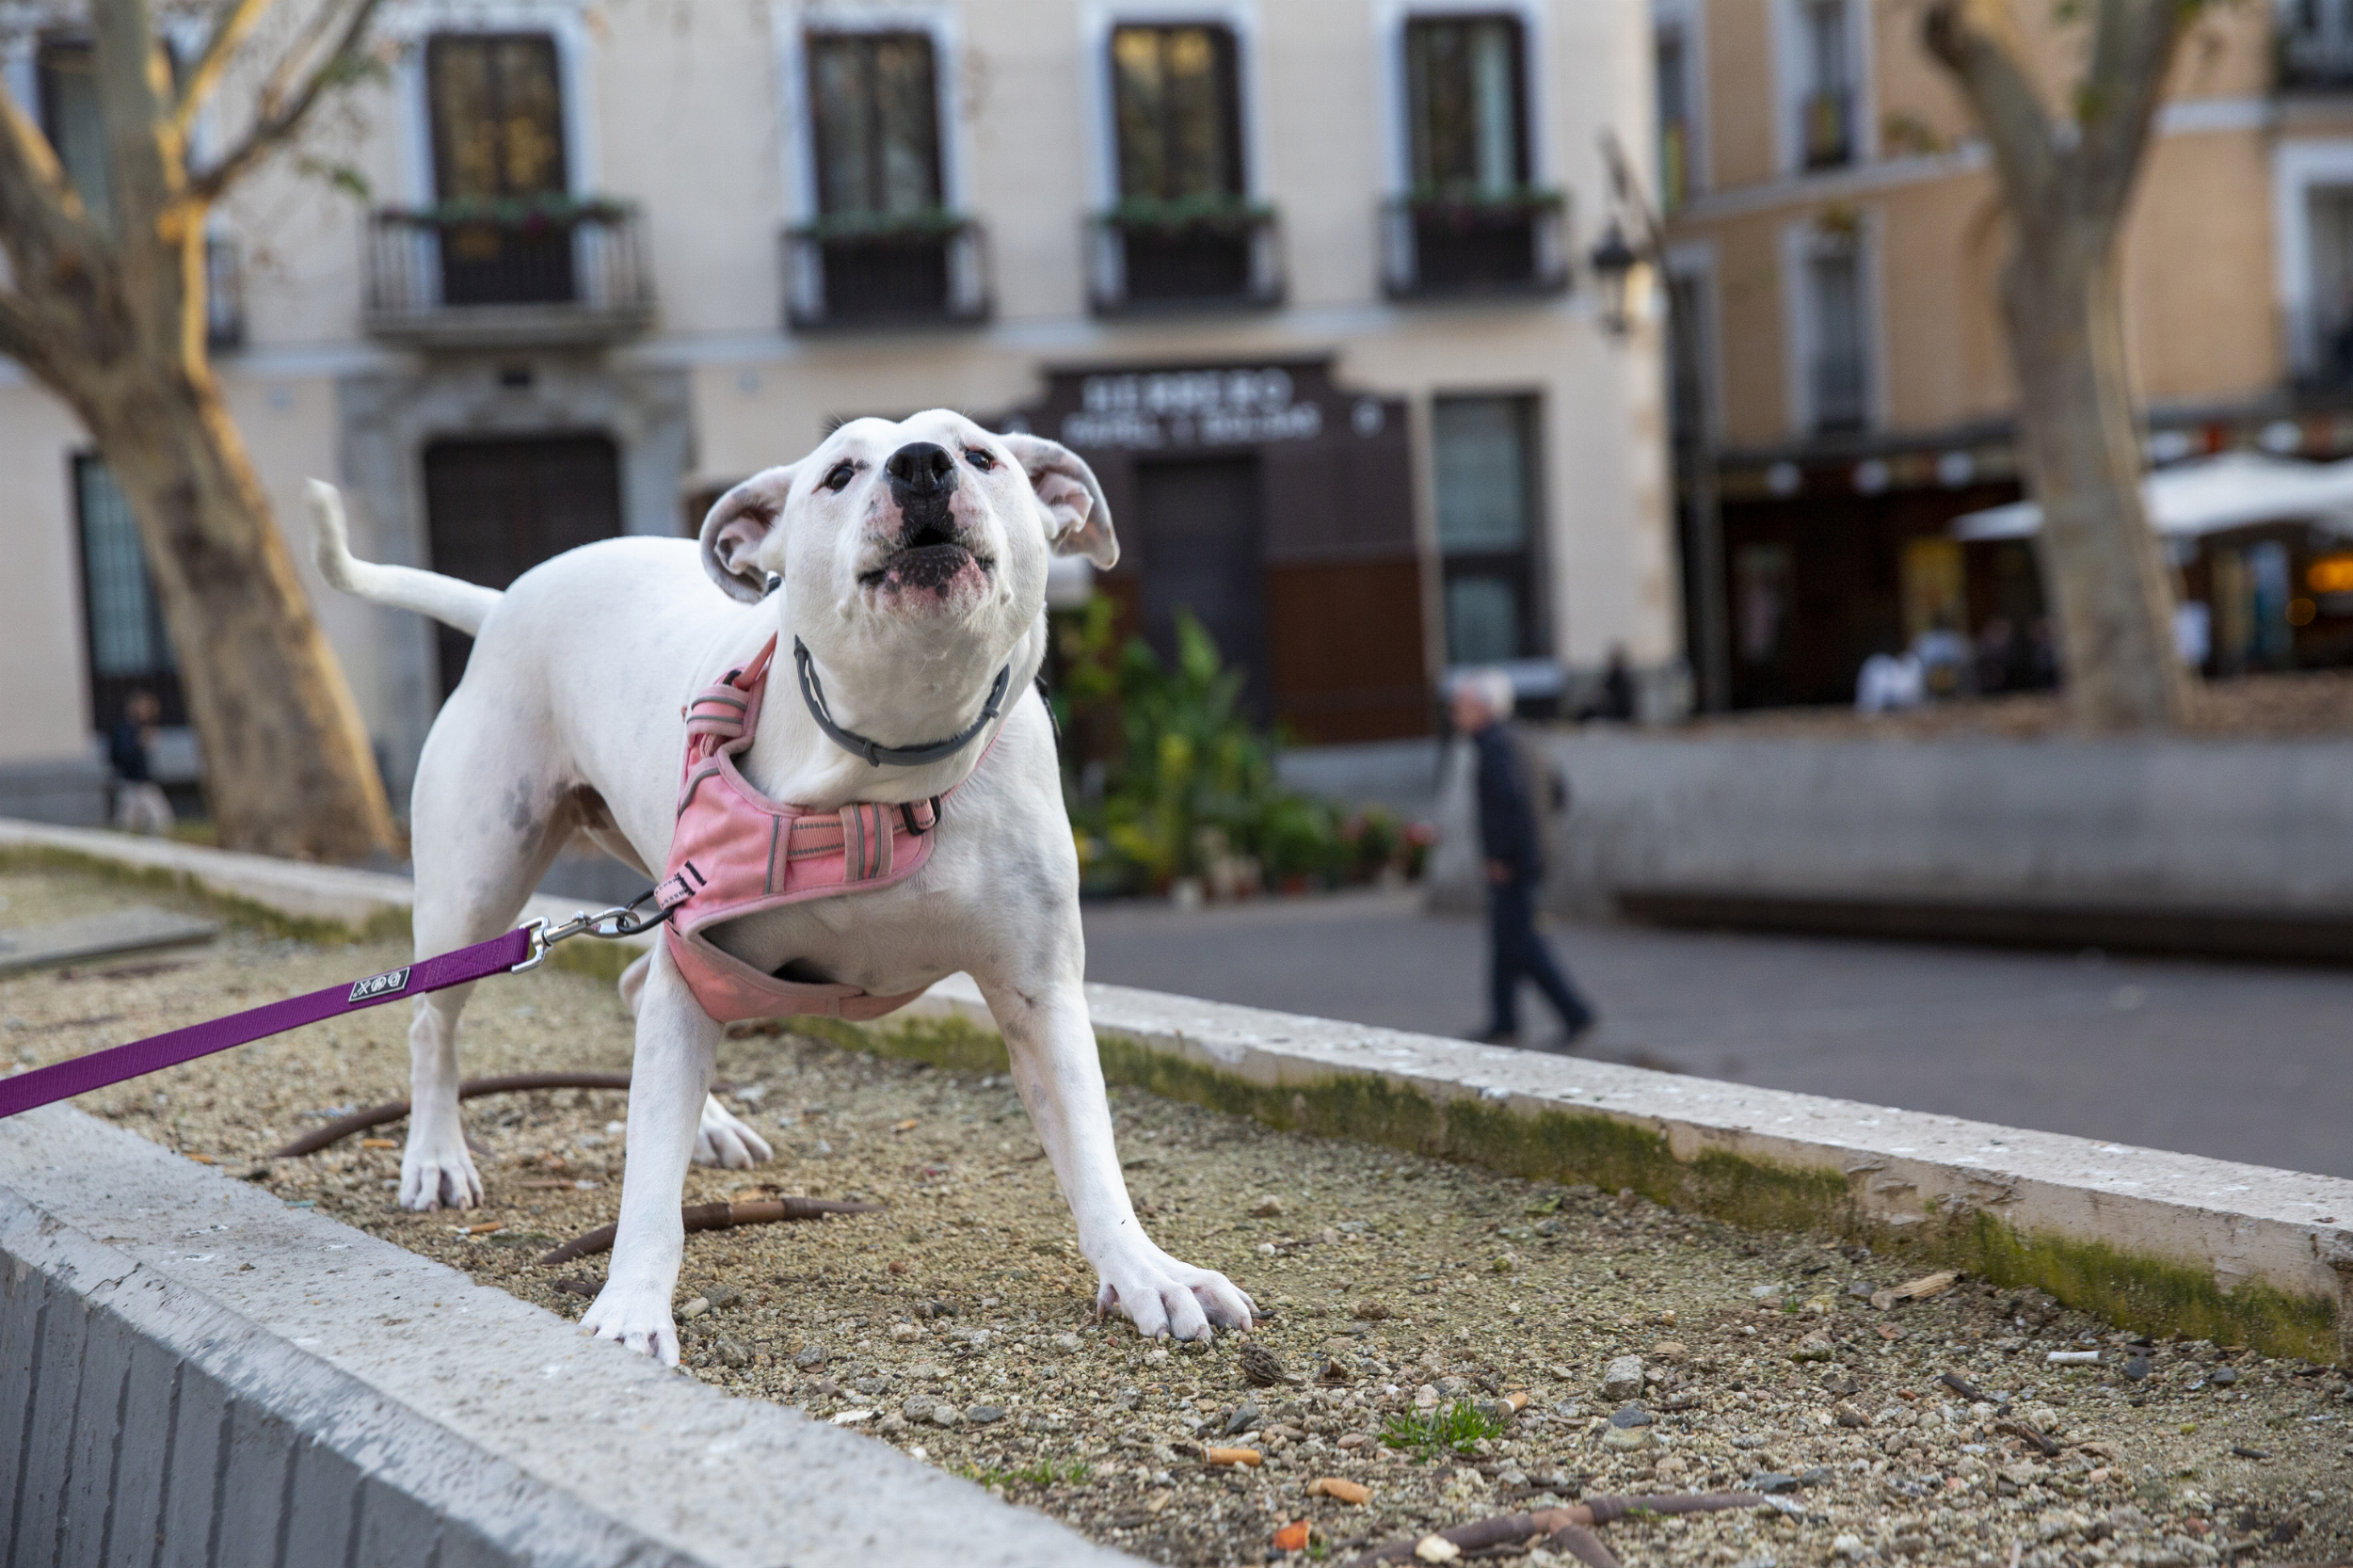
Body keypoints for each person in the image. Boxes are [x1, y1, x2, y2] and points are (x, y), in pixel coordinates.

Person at [1451, 669, 1595, 1049]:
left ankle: (1575, 1012)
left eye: (1462, 704)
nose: (1455, 712)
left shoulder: (1498, 747)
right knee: (1504, 942)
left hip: (1516, 863)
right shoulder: (1520, 740)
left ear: (1483, 708)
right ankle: (1503, 1021)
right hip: (1528, 858)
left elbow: (1514, 805)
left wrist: (1504, 856)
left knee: (1523, 944)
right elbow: (1558, 793)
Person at [108, 689, 174, 836]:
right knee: (128, 822)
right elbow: (121, 754)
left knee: (158, 818)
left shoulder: (141, 728)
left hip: (142, 780)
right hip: (131, 781)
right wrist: (139, 744)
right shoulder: (125, 729)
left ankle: (153, 846)